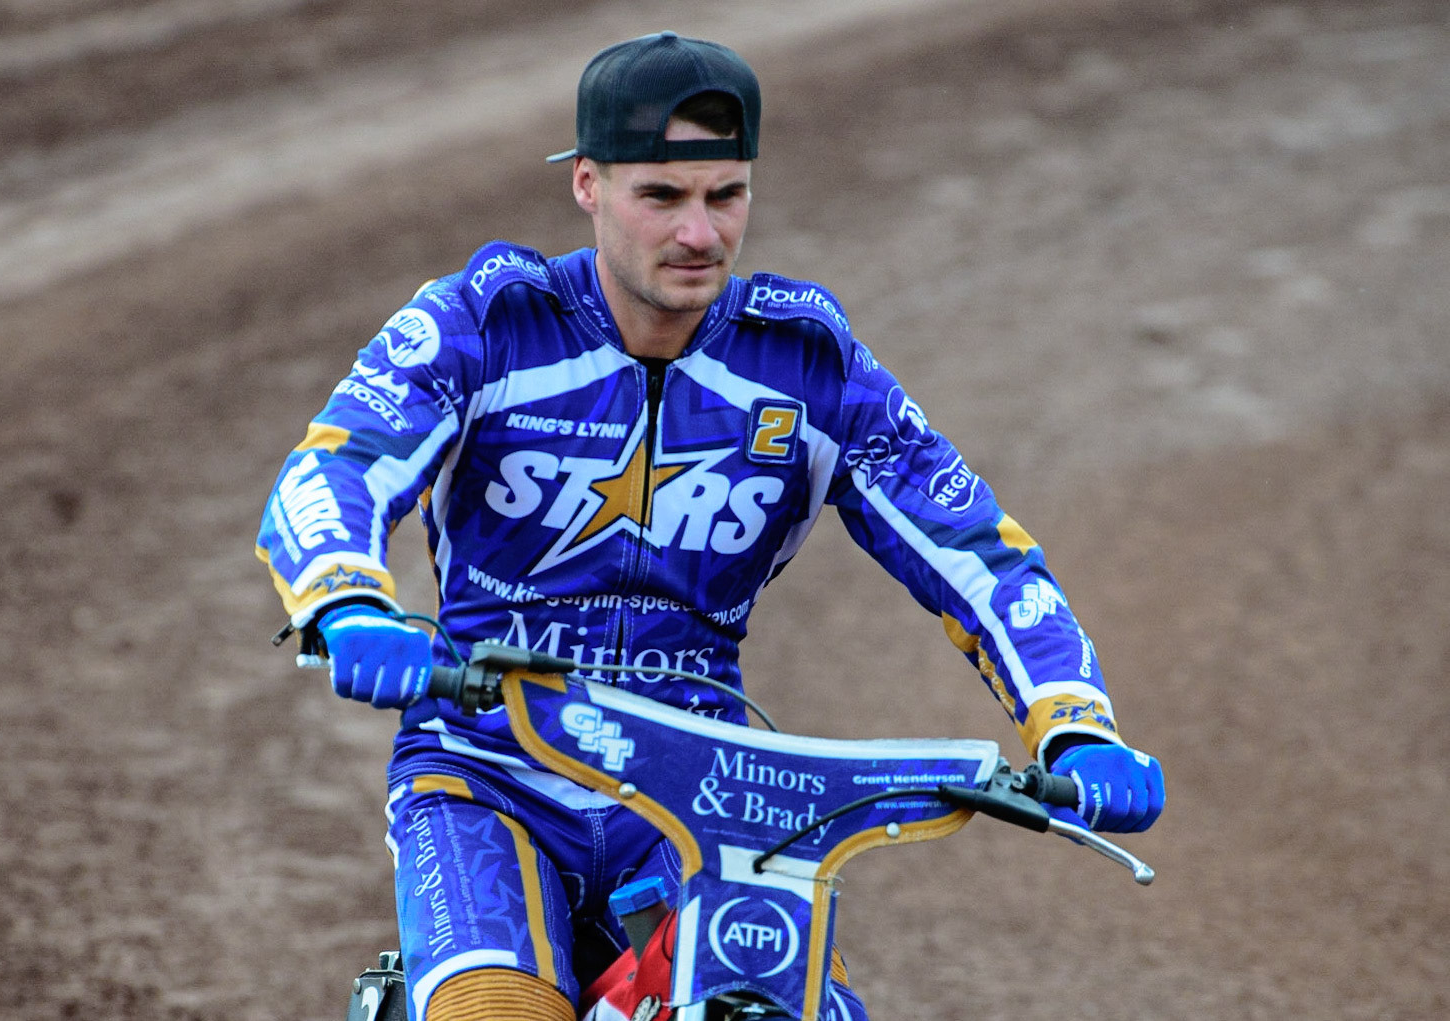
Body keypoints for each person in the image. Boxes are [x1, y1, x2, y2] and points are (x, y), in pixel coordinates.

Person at [256, 30, 1165, 1021]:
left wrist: (1074, 724)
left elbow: (974, 551)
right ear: (588, 186)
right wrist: (346, 601)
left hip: (708, 784)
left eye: (724, 195)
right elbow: (334, 467)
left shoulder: (806, 364)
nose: (699, 233)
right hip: (487, 769)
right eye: (662, 196)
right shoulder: (485, 323)